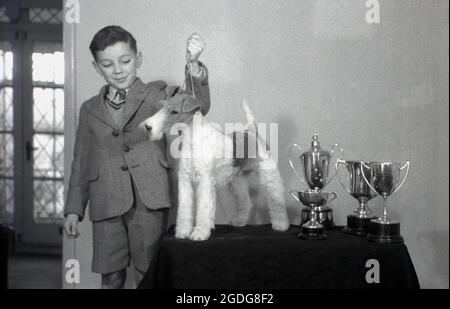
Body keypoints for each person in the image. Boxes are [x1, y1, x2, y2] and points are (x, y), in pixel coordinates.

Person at [63, 25, 210, 288]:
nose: (117, 70)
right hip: (105, 201)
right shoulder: (89, 109)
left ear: (138, 59)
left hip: (150, 200)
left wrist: (194, 65)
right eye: (107, 64)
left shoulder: (157, 94)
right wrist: (74, 210)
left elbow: (199, 104)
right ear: (97, 67)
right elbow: (81, 162)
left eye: (125, 61)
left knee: (149, 272)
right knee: (111, 276)